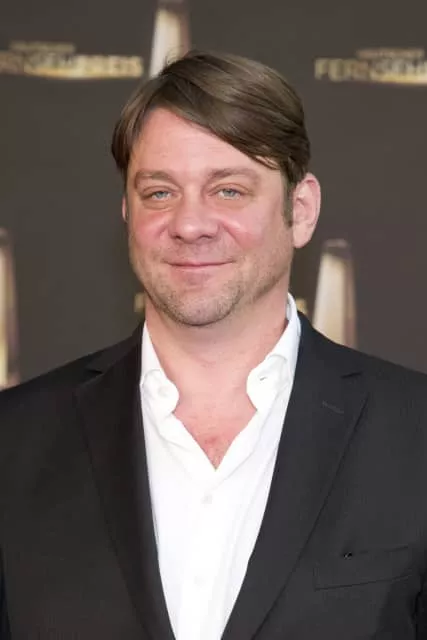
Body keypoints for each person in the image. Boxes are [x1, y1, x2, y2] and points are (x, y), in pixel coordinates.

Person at [1, 50, 427, 640]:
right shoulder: (15, 442)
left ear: (301, 210)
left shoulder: (413, 432)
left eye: (228, 191)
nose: (190, 224)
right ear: (127, 213)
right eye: (159, 193)